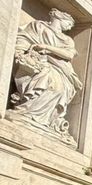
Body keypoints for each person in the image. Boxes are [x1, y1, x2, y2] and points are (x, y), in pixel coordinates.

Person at [10, 9, 82, 143]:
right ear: (60, 18)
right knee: (47, 78)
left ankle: (44, 120)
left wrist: (46, 47)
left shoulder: (67, 39)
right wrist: (21, 53)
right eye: (68, 23)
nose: (69, 27)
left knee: (59, 88)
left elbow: (69, 55)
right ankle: (28, 112)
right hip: (40, 63)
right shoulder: (38, 26)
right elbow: (23, 38)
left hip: (60, 68)